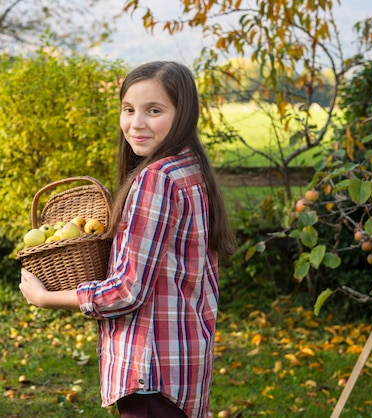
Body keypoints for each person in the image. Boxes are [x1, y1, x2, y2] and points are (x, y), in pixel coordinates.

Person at [19, 61, 236, 418]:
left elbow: (127, 291)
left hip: (151, 370)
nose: (136, 123)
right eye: (128, 109)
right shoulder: (191, 168)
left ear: (183, 114)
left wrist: (46, 298)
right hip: (184, 362)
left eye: (154, 110)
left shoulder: (157, 180)